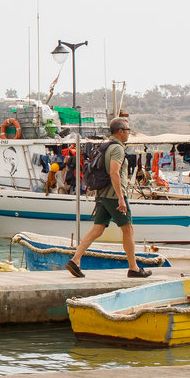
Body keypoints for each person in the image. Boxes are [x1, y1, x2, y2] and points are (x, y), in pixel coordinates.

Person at [65, 116, 150, 279]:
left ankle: (75, 260)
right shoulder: (117, 149)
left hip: (102, 195)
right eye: (128, 130)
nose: (129, 133)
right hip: (114, 196)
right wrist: (121, 198)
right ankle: (134, 268)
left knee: (97, 229)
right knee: (128, 229)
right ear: (120, 131)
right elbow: (114, 173)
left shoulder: (105, 145)